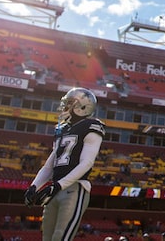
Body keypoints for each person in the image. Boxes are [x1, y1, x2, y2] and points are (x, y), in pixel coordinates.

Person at [24, 87, 105, 241]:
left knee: (60, 237)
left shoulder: (92, 126)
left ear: (82, 107)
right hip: (55, 189)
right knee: (47, 238)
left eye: (69, 103)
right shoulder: (62, 129)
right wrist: (34, 186)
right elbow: (49, 165)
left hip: (74, 188)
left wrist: (59, 185)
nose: (65, 107)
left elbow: (87, 163)